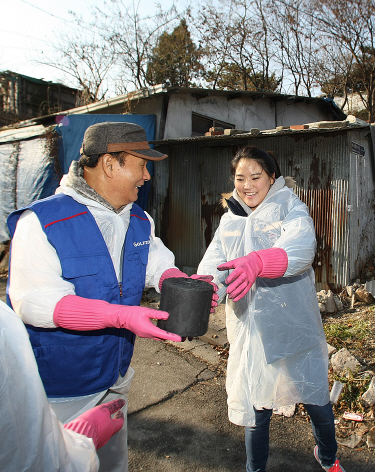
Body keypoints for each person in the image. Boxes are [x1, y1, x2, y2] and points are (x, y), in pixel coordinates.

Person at [6, 122, 218, 472]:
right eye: (141, 164)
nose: (147, 176)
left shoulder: (137, 218)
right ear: (109, 163)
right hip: (63, 391)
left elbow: (155, 262)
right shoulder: (41, 222)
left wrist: (179, 284)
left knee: (110, 465)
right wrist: (119, 316)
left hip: (115, 378)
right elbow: (35, 302)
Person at [197, 146, 345, 472]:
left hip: (293, 325)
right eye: (240, 178)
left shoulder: (289, 206)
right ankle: (255, 469)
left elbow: (302, 244)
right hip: (252, 330)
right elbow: (216, 263)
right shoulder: (230, 220)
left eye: (256, 177)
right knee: (256, 408)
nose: (247, 185)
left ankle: (328, 456)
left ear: (272, 177)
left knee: (316, 398)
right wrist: (208, 287)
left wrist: (260, 261)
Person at [0, 299, 125, 471]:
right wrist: (79, 445)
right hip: (63, 391)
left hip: (112, 372)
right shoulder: (4, 328)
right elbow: (29, 458)